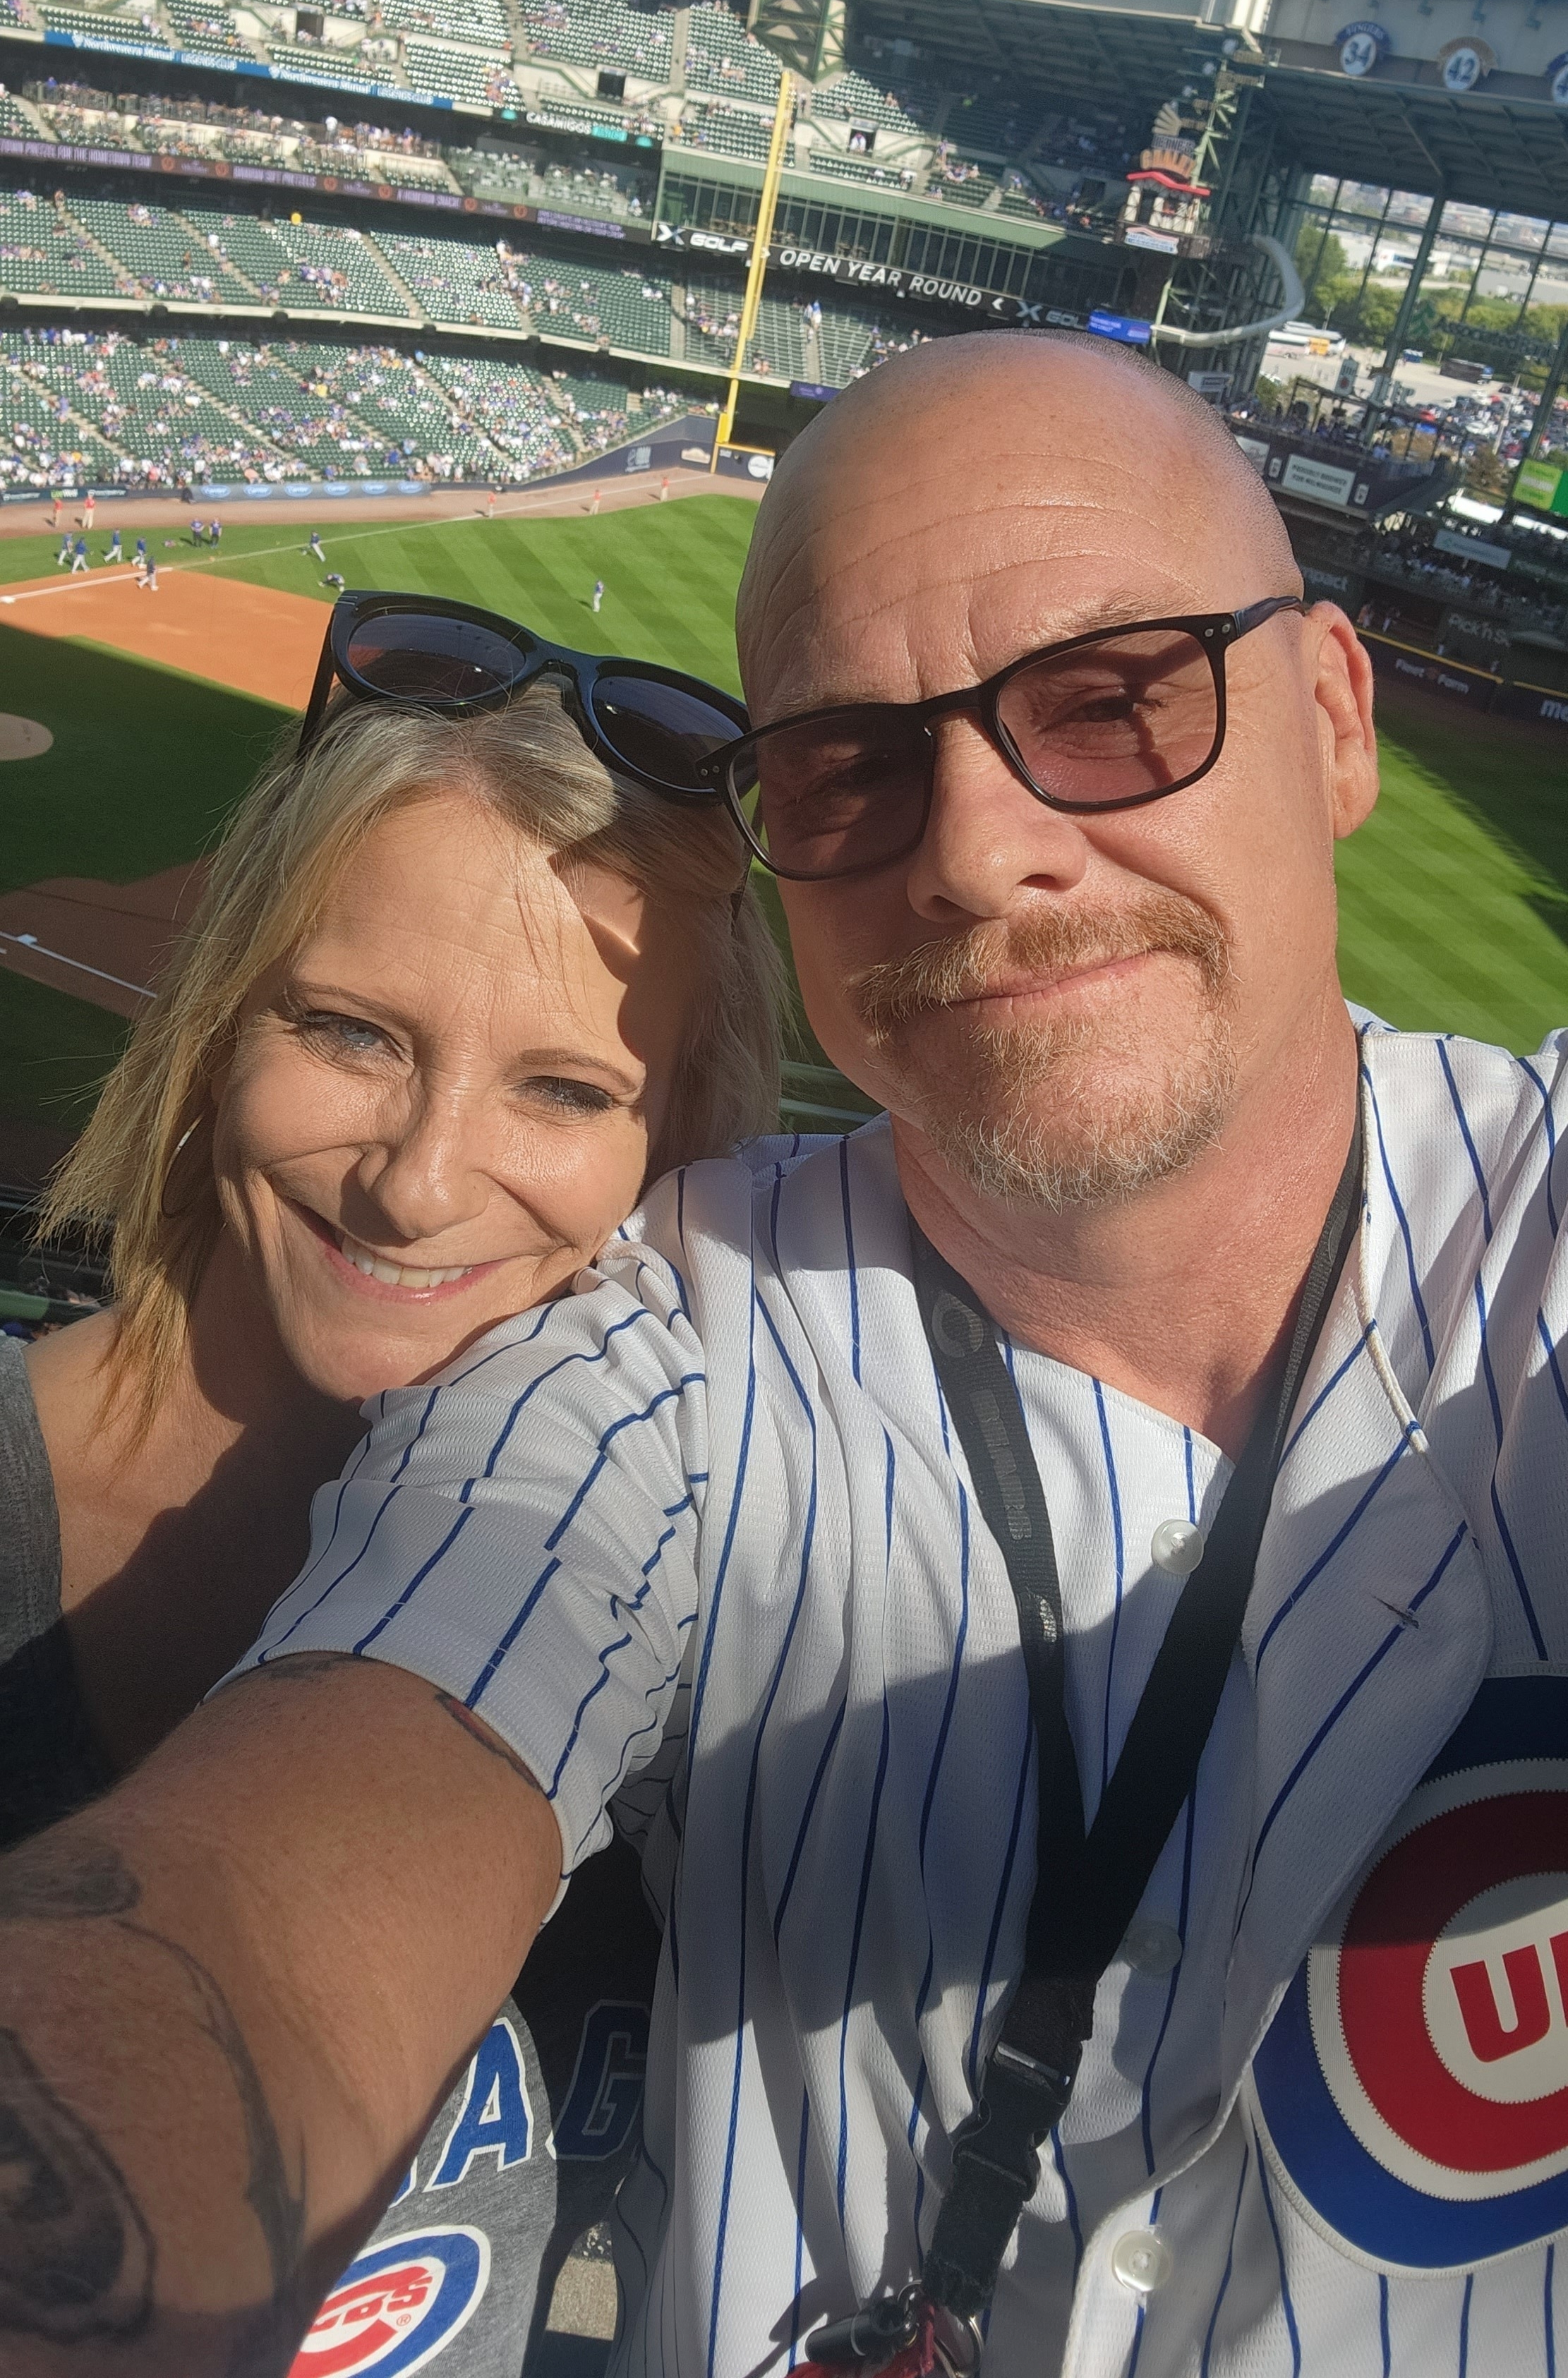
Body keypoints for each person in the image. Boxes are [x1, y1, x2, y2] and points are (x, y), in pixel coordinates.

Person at [6, 332, 1567, 2378]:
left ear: (1336, 718)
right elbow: (297, 1882)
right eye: (849, 763)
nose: (977, 849)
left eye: (1111, 701)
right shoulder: (656, 1344)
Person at [1, 615, 782, 2372]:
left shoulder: (747, 1645)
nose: (420, 1186)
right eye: (350, 1032)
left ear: (676, 1142)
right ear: (220, 1025)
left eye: (564, 1087)